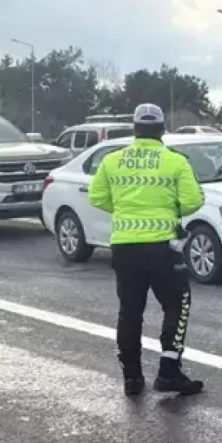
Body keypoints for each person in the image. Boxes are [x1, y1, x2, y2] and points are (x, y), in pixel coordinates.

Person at [88, 103, 206, 396]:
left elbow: (96, 197)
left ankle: (132, 378)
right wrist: (170, 209)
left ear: (134, 128)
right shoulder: (174, 161)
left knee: (130, 311)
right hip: (162, 246)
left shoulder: (112, 160)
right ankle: (168, 372)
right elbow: (193, 201)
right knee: (177, 305)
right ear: (162, 130)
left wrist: (125, 210)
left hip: (125, 246)